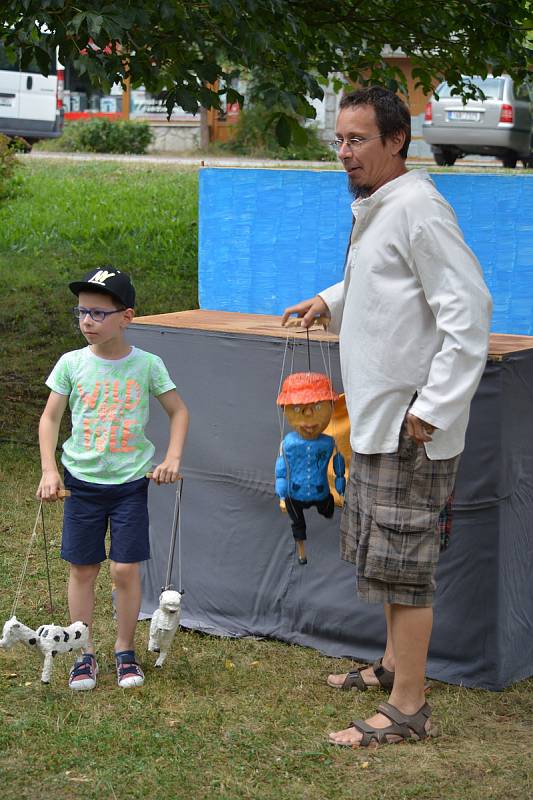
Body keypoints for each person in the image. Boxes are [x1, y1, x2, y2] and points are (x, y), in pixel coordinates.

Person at [282, 87, 492, 747]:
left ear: (396, 140)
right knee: (384, 556)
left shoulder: (419, 209)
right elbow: (384, 282)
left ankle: (408, 710)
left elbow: (468, 309)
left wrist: (432, 406)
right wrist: (330, 300)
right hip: (378, 418)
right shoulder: (382, 205)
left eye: (356, 140)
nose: (343, 153)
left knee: (404, 564)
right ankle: (391, 666)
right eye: (339, 140)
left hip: (410, 425)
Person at [37, 267, 189, 691]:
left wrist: (172, 457)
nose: (87, 321)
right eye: (82, 312)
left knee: (124, 568)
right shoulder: (71, 363)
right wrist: (50, 470)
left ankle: (125, 649)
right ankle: (82, 651)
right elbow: (50, 419)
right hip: (81, 483)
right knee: (83, 568)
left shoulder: (147, 365)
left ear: (127, 316)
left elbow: (179, 411)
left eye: (98, 313)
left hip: (129, 485)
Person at [275, 371, 346, 565]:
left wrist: (341, 487)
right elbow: (281, 471)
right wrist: (282, 494)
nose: (308, 415)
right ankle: (301, 552)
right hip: (295, 494)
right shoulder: (288, 443)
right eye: (298, 408)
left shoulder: (328, 443)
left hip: (322, 493)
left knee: (328, 509)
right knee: (297, 522)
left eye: (317, 406)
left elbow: (339, 467)